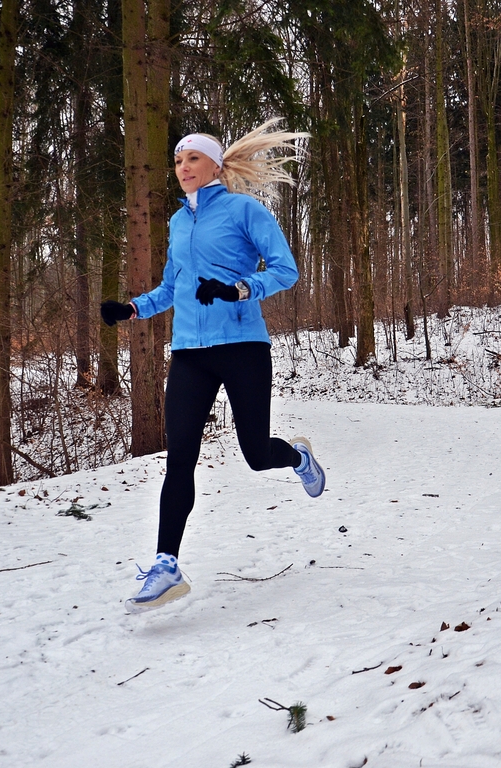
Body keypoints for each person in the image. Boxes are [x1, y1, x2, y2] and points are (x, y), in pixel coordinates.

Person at [100, 119, 326, 614]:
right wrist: (132, 309)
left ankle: (298, 458)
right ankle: (166, 564)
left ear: (215, 164)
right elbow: (171, 289)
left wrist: (238, 289)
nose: (182, 168)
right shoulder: (179, 224)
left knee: (256, 452)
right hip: (189, 354)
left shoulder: (245, 210)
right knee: (179, 457)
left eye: (192, 158)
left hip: (242, 344)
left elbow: (285, 270)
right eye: (178, 161)